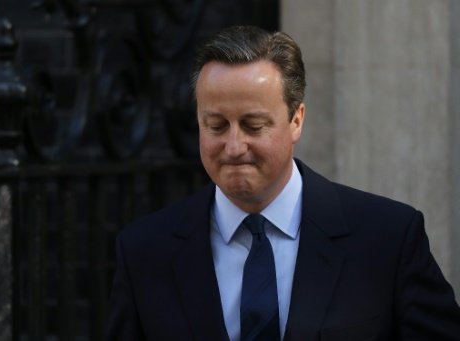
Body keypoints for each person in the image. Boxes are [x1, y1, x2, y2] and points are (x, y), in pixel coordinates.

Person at [106, 25, 460, 340]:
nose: (233, 146)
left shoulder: (387, 239)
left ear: (296, 120)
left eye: (253, 125)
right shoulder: (144, 252)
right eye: (215, 125)